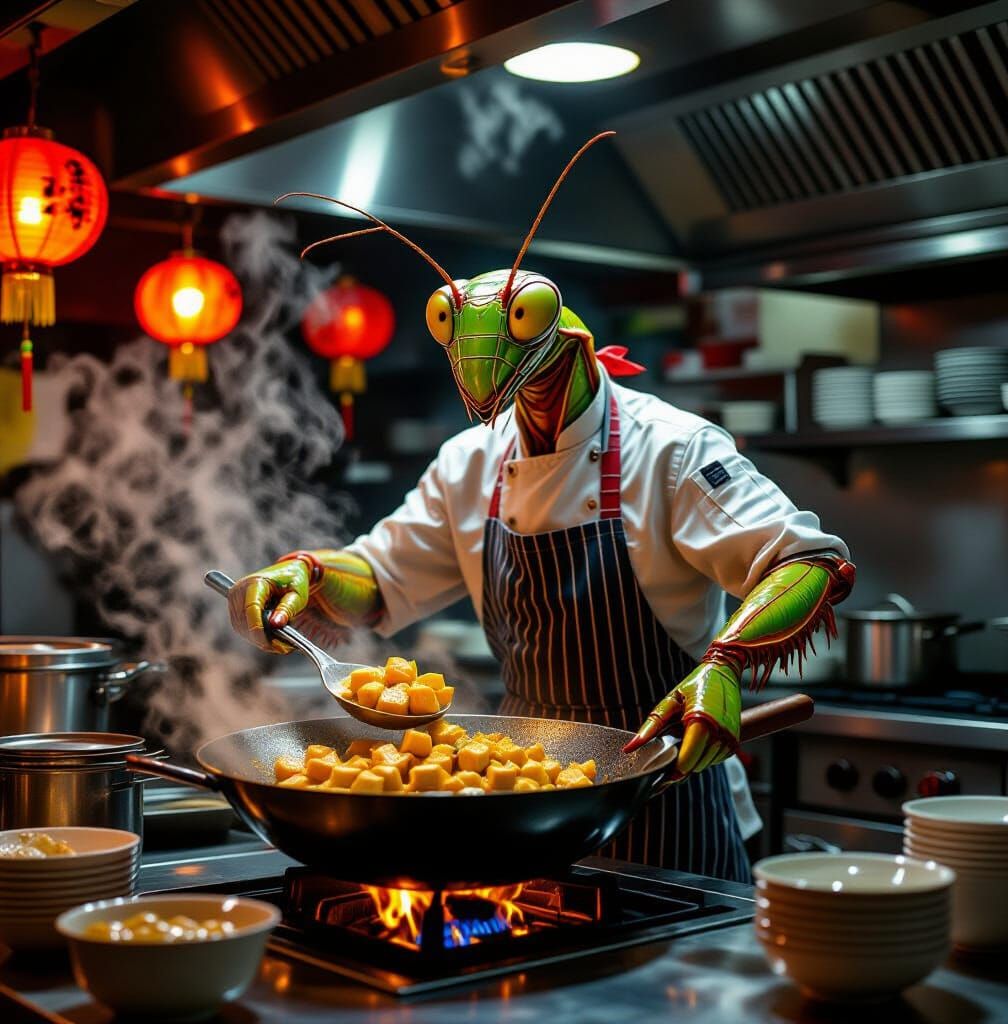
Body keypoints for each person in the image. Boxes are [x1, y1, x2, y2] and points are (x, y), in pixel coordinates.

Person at [228, 135, 854, 882]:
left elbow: (807, 562)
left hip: (665, 793)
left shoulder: (672, 448)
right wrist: (303, 577)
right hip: (520, 808)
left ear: (558, 333)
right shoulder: (471, 463)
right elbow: (378, 580)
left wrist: (722, 665)